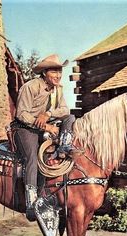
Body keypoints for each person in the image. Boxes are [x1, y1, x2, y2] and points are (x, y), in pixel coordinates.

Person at [14, 54, 79, 219]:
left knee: (70, 118)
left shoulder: (58, 89)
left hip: (43, 127)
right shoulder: (30, 87)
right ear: (44, 73)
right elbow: (21, 114)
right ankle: (31, 203)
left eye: (59, 72)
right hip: (24, 128)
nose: (58, 75)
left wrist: (48, 113)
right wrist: (44, 124)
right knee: (32, 159)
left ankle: (64, 148)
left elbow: (65, 110)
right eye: (54, 71)